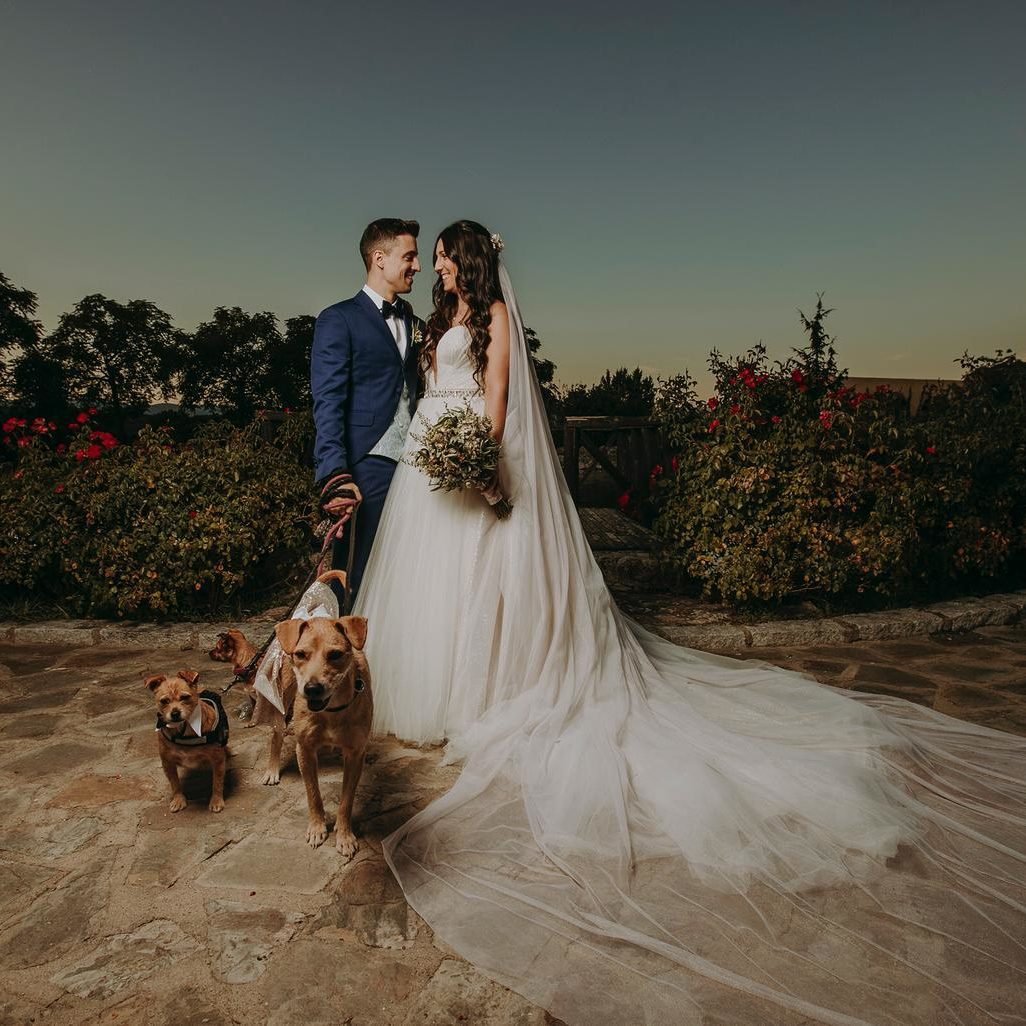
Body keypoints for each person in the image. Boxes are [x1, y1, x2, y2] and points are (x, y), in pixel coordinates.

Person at [353, 221, 1026, 1026]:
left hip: (468, 462)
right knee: (438, 591)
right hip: (433, 468)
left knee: (482, 588)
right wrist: (439, 450)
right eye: (425, 256)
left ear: (469, 260)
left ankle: (488, 689)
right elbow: (429, 393)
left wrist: (485, 471)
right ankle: (446, 683)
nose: (433, 264)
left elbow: (499, 412)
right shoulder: (437, 324)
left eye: (442, 254)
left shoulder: (497, 325)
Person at [309, 217, 423, 603]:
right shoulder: (338, 319)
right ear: (379, 258)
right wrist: (335, 475)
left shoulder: (415, 321)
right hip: (367, 463)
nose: (417, 266)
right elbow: (328, 401)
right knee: (357, 575)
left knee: (411, 569)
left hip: (418, 466)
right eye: (409, 256)